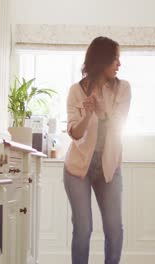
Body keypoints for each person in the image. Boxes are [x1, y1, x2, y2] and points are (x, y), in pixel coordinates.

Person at [63, 36, 131, 264]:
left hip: (109, 168)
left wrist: (101, 110)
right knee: (83, 229)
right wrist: (88, 114)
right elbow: (75, 133)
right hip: (78, 168)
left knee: (114, 229)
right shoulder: (76, 91)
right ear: (103, 61)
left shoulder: (123, 89)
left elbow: (119, 124)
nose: (119, 64)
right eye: (116, 59)